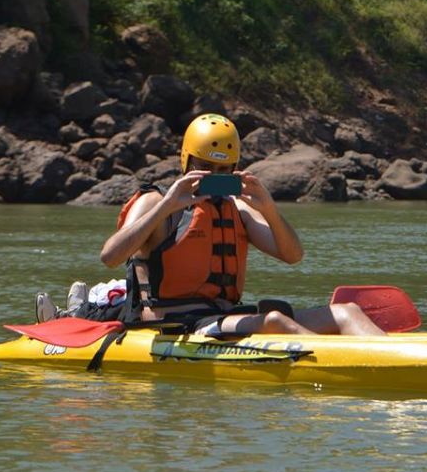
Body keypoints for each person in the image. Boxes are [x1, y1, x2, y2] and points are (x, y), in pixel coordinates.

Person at [44, 113, 384, 337]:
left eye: (224, 172)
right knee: (276, 322)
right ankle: (346, 365)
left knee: (346, 312)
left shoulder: (237, 208)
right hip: (175, 324)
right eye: (206, 168)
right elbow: (110, 257)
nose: (215, 179)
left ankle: (392, 359)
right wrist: (166, 207)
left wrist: (268, 207)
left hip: (224, 317)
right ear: (187, 161)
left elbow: (293, 255)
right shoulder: (155, 202)